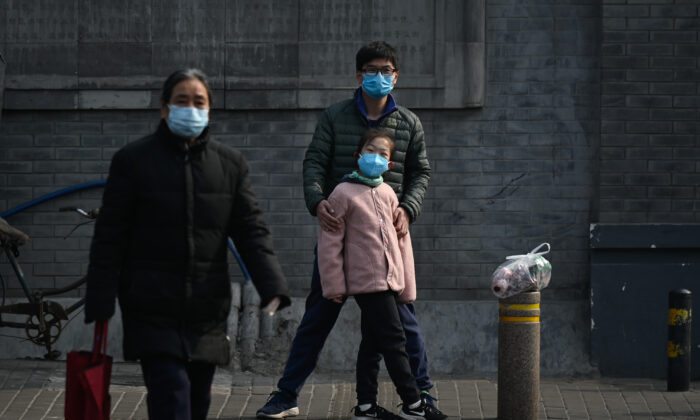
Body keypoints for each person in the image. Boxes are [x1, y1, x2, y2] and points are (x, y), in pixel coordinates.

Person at [84, 68, 291, 420]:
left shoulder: (229, 165)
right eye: (182, 101)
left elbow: (251, 230)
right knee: (172, 399)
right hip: (151, 306)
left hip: (206, 310)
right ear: (164, 108)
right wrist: (101, 300)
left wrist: (271, 284)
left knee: (197, 405)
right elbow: (109, 236)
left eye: (199, 102)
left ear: (209, 110)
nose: (191, 108)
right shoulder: (133, 161)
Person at [257, 41, 442, 420]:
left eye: (386, 70)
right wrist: (317, 201)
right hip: (339, 238)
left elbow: (420, 172)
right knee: (318, 317)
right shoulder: (335, 117)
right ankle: (286, 395)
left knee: (402, 323)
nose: (379, 77)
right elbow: (314, 162)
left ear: (396, 75)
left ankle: (422, 395)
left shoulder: (408, 123)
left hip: (386, 243)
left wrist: (409, 207)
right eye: (372, 70)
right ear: (358, 75)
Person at [318, 129, 441, 420]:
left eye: (383, 154)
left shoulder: (388, 193)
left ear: (390, 165)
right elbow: (330, 242)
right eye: (370, 151)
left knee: (372, 345)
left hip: (389, 281)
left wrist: (406, 286)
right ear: (358, 156)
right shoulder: (342, 193)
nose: (376, 157)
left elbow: (402, 241)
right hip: (366, 283)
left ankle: (365, 408)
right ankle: (413, 404)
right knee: (395, 340)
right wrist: (334, 285)